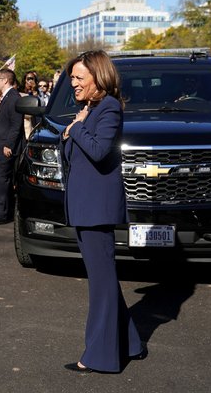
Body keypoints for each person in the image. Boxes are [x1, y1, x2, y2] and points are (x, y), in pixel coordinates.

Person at [60, 50, 144, 374]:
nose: (74, 83)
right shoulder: (89, 108)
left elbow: (97, 150)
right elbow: (72, 151)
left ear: (99, 78)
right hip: (84, 206)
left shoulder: (108, 107)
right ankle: (131, 343)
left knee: (102, 284)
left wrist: (77, 129)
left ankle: (100, 357)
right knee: (104, 280)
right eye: (72, 79)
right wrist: (70, 131)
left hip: (97, 209)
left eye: (80, 78)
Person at [0, 69, 24, 225]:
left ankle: (1, 213)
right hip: (3, 145)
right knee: (4, 180)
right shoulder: (7, 97)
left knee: (2, 179)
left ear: (5, 80)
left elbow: (16, 124)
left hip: (7, 147)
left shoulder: (13, 97)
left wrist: (9, 145)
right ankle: (4, 212)